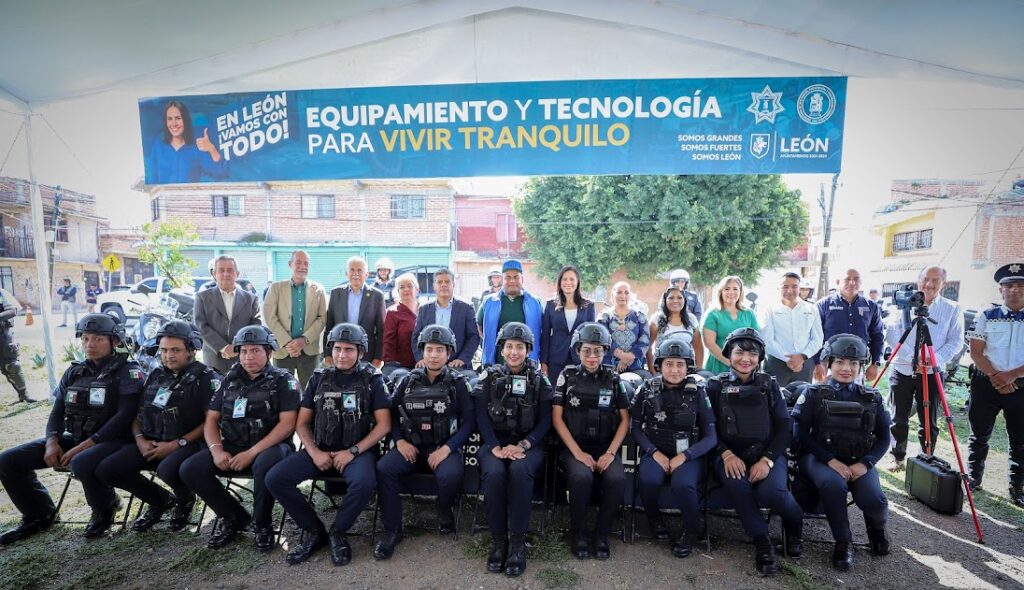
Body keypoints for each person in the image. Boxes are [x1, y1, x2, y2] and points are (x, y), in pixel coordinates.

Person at [0, 314, 144, 543]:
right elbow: (57, 411)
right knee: (8, 460)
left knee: (82, 461)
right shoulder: (75, 371)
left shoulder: (128, 371)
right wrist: (52, 442)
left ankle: (105, 510)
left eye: (98, 339)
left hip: (115, 440)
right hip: (75, 438)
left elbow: (125, 416)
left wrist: (86, 445)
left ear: (115, 341)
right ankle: (38, 514)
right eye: (85, 339)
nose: (90, 344)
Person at [265, 323, 391, 565]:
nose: (342, 355)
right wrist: (313, 452)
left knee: (364, 483)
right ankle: (314, 531)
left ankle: (338, 531)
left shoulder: (373, 379)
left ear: (360, 352)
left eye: (349, 350)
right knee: (275, 478)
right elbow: (302, 424)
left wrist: (352, 452)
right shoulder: (319, 378)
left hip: (358, 452)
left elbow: (384, 425)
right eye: (337, 349)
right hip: (320, 449)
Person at [179, 325, 299, 551]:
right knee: (190, 468)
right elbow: (212, 419)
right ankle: (234, 516)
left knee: (263, 464)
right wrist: (216, 450)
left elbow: (287, 424)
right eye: (243, 351)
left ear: (269, 352)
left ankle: (263, 524)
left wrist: (251, 453)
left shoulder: (283, 380)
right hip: (234, 444)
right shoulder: (229, 379)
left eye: (255, 351)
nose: (248, 357)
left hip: (272, 447)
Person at [94, 321, 220, 532]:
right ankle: (160, 500)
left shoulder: (206, 378)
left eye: (175, 350)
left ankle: (185, 499)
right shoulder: (156, 374)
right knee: (107, 469)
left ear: (191, 350)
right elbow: (139, 413)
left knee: (167, 468)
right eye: (164, 350)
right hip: (151, 440)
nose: (169, 355)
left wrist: (176, 445)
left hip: (190, 442)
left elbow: (211, 423)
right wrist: (140, 440)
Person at [706, 328, 803, 576]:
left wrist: (768, 460)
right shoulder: (715, 386)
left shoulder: (770, 386)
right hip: (729, 455)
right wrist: (725, 454)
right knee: (739, 487)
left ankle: (794, 522)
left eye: (752, 353)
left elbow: (784, 428)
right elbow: (707, 427)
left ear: (760, 357)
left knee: (772, 492)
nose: (745, 359)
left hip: (767, 454)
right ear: (729, 354)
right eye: (740, 352)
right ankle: (763, 543)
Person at [373, 324, 475, 560]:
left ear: (449, 353)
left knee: (449, 474)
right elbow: (393, 413)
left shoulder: (458, 383)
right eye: (429, 349)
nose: (434, 355)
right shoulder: (408, 380)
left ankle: (443, 508)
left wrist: (448, 449)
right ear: (422, 351)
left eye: (440, 350)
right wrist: (399, 441)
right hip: (411, 447)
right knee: (384, 468)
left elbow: (469, 422)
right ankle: (392, 530)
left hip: (444, 448)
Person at [792, 334, 891, 571]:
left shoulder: (873, 397)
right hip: (819, 458)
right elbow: (800, 432)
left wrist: (865, 464)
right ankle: (843, 542)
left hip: (858, 460)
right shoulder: (814, 393)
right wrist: (830, 460)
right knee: (833, 485)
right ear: (829, 363)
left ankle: (876, 530)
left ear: (860, 366)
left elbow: (885, 437)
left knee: (873, 498)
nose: (846, 368)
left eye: (853, 363)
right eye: (839, 362)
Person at [474, 322, 552, 577]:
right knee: (494, 474)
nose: (514, 352)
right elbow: (481, 416)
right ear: (501, 349)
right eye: (509, 346)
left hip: (528, 446)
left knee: (519, 472)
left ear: (528, 349)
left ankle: (517, 543)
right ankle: (499, 541)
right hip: (494, 444)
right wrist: (496, 447)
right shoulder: (489, 376)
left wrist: (524, 444)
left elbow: (545, 420)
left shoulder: (540, 380)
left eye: (520, 347)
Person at [632, 338, 717, 558]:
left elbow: (711, 437)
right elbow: (635, 428)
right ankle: (654, 519)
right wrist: (654, 452)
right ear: (659, 365)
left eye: (680, 364)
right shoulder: (647, 388)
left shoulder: (699, 391)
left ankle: (691, 529)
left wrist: (686, 456)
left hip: (690, 454)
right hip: (656, 450)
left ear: (688, 366)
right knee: (648, 480)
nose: (675, 370)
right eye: (669, 364)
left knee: (684, 484)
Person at [552, 322, 630, 560]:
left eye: (598, 351)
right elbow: (557, 419)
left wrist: (610, 453)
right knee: (581, 476)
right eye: (586, 350)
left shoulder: (614, 378)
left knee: (617, 478)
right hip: (574, 448)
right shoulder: (566, 375)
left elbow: (625, 420)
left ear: (605, 351)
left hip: (605, 447)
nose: (592, 356)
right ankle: (579, 533)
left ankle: (602, 534)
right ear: (578, 350)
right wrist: (577, 453)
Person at [886, 266, 964, 471]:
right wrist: (913, 359)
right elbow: (893, 335)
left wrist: (933, 359)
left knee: (928, 420)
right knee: (898, 418)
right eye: (925, 279)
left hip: (932, 372)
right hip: (902, 369)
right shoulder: (904, 302)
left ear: (943, 284)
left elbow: (956, 341)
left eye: (935, 280)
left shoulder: (952, 308)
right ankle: (898, 457)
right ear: (918, 280)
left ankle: (926, 458)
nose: (929, 284)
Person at [967, 262, 1024, 506]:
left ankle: (1017, 487)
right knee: (979, 435)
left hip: (1020, 387)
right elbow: (976, 352)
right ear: (1000, 290)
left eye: (1020, 285)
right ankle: (973, 478)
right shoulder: (986, 315)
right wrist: (996, 377)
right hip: (986, 384)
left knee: (1020, 440)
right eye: (1009, 285)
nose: (1014, 290)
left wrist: (1011, 376)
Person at [263, 250, 328, 390]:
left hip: (309, 351)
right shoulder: (276, 288)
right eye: (298, 262)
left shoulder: (319, 290)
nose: (302, 266)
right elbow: (269, 316)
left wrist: (304, 340)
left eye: (306, 263)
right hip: (283, 350)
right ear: (290, 264)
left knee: (311, 391)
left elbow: (322, 318)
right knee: (282, 391)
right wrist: (288, 343)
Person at [194, 255, 262, 375]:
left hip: (243, 357)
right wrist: (224, 347)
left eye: (230, 270)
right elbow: (200, 326)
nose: (226, 274)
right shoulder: (202, 297)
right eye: (221, 270)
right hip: (214, 356)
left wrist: (237, 348)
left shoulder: (251, 299)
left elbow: (255, 326)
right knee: (214, 392)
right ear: (214, 274)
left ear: (237, 274)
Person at [814, 269, 884, 384]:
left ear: (861, 282)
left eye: (856, 279)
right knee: (823, 398)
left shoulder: (871, 307)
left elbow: (877, 336)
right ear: (837, 282)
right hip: (827, 364)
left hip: (856, 364)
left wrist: (875, 364)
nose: (852, 283)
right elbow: (814, 336)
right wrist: (816, 363)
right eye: (847, 279)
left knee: (854, 399)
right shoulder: (823, 305)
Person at [411, 268, 479, 382]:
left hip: (456, 365)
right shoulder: (424, 309)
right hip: (430, 364)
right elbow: (416, 337)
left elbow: (473, 336)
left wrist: (462, 359)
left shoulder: (466, 307)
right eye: (439, 282)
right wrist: (420, 358)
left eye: (447, 282)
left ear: (453, 284)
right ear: (434, 286)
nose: (443, 285)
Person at [758, 272, 824, 386]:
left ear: (799, 288)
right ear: (779, 288)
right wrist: (788, 359)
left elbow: (817, 339)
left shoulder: (811, 309)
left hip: (805, 364)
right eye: (785, 286)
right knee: (775, 400)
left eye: (794, 286)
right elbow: (767, 339)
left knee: (802, 399)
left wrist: (802, 357)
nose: (790, 290)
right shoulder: (769, 309)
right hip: (776, 363)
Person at [477, 259, 543, 366]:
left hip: (526, 361)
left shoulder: (535, 303)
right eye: (508, 277)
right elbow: (480, 326)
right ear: (502, 280)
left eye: (516, 277)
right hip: (496, 361)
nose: (512, 281)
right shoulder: (489, 302)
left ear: (522, 279)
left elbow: (543, 329)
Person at [144, 100, 228, 184]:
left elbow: (222, 174)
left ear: (185, 120)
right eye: (170, 119)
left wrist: (212, 149)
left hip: (189, 196)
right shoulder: (159, 144)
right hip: (165, 197)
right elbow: (152, 179)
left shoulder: (197, 147)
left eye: (178, 118)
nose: (174, 124)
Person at [325, 256, 386, 367]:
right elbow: (329, 326)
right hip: (340, 354)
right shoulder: (336, 293)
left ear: (366, 274)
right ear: (346, 273)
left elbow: (381, 331)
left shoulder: (376, 296)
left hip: (366, 354)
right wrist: (328, 353)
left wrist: (378, 357)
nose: (355, 274)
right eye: (352, 270)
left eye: (359, 270)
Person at [541, 265, 596, 382]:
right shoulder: (550, 305)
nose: (568, 283)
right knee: (555, 395)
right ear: (560, 282)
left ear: (577, 282)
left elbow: (591, 337)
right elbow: (545, 335)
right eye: (564, 279)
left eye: (572, 279)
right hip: (555, 359)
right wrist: (543, 362)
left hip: (580, 359)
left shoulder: (588, 306)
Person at [702, 276, 759, 375]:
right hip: (719, 364)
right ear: (721, 292)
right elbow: (710, 344)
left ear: (740, 292)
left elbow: (756, 340)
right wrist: (732, 363)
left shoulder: (749, 313)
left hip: (745, 365)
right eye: (727, 289)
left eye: (735, 289)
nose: (731, 292)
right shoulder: (712, 314)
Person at [598, 281, 651, 379]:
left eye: (626, 292)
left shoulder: (640, 317)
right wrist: (622, 355)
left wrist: (628, 357)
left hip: (635, 368)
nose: (623, 295)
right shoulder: (604, 317)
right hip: (608, 367)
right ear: (612, 294)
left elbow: (645, 341)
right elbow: (601, 339)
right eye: (619, 292)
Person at [646, 286, 705, 371]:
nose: (675, 301)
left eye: (679, 298)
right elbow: (648, 347)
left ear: (684, 300)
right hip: (663, 368)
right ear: (665, 300)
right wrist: (653, 371)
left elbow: (698, 347)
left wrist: (698, 369)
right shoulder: (656, 319)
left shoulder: (692, 319)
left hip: (685, 369)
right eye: (671, 298)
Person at [382, 272, 419, 380]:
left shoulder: (426, 310)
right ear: (398, 291)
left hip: (424, 364)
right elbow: (388, 342)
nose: (406, 289)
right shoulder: (392, 313)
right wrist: (391, 366)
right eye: (402, 287)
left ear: (417, 289)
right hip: (399, 367)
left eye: (409, 286)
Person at [0, 286, 34, 403]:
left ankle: (24, 395)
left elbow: (12, 310)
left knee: (12, 366)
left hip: (2, 336)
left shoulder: (1, 293)